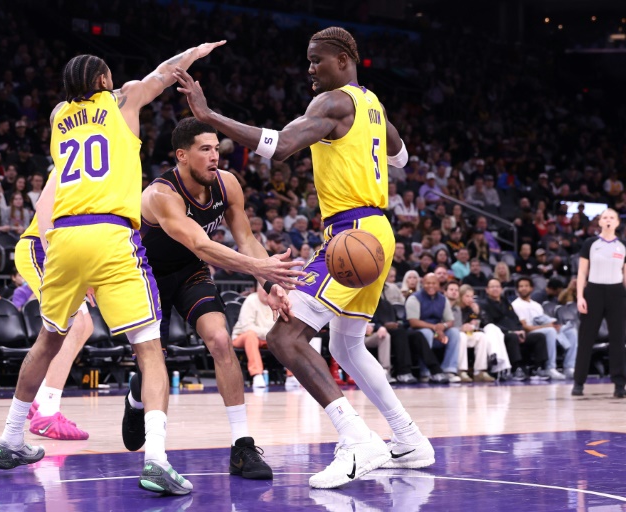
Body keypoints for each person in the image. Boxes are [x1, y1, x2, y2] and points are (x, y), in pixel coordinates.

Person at [174, 27, 435, 489]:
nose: (310, 70)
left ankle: (357, 440)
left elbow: (281, 146)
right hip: (378, 231)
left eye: (317, 61)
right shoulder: (371, 103)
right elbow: (402, 157)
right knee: (345, 345)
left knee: (285, 337)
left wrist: (209, 114)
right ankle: (408, 438)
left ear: (343, 58)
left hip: (351, 233)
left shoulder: (331, 103)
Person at [0, 42, 226, 498]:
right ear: (102, 81)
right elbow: (164, 70)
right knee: (149, 349)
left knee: (47, 341)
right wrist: (197, 51)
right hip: (110, 233)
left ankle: (9, 439)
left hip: (61, 239)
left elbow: (75, 105)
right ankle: (155, 459)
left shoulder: (59, 114)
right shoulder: (124, 101)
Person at [125, 118, 301, 479]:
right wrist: (263, 269)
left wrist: (268, 282)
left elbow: (247, 240)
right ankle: (136, 398)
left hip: (189, 270)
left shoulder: (228, 184)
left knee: (221, 339)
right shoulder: (161, 195)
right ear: (182, 155)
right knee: (153, 360)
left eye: (216, 148)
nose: (214, 156)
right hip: (146, 275)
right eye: (205, 149)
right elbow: (202, 243)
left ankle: (242, 446)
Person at [10, 168, 95, 440]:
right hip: (42, 247)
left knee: (85, 326)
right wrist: (54, 256)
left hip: (67, 253)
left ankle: (40, 399)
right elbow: (44, 206)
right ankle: (48, 411)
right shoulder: (69, 160)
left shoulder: (102, 171)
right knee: (73, 324)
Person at [573, 209, 626, 398]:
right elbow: (581, 273)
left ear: (618, 223)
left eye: (612, 217)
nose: (608, 220)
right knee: (586, 338)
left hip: (617, 293)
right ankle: (578, 382)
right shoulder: (590, 244)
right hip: (594, 291)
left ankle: (620, 384)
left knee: (618, 340)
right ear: (600, 222)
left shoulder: (623, 245)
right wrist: (580, 297)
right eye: (605, 217)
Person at [481, 278, 548, 381]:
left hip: (515, 332)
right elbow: (490, 324)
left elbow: (515, 318)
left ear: (501, 289)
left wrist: (521, 330)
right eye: (492, 287)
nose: (495, 289)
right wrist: (511, 331)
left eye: (497, 286)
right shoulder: (484, 304)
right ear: (487, 290)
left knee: (539, 336)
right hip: (501, 335)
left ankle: (539, 368)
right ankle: (516, 368)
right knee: (512, 337)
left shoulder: (506, 302)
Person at [512, 276, 573, 380]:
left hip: (542, 328)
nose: (524, 288)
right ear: (517, 289)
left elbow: (543, 320)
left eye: (526, 286)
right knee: (550, 331)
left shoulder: (536, 305)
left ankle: (569, 366)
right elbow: (525, 327)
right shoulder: (516, 304)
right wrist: (548, 326)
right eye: (521, 286)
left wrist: (554, 324)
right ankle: (550, 367)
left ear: (531, 288)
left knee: (571, 331)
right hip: (530, 334)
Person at [405, 274, 462, 382]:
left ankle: (449, 370)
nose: (431, 286)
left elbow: (450, 320)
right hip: (416, 333)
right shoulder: (414, 298)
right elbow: (413, 322)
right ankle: (425, 372)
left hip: (437, 332)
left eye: (434, 283)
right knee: (426, 333)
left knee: (454, 332)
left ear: (438, 285)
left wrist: (443, 326)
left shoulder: (442, 299)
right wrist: (434, 327)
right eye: (428, 283)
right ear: (422, 284)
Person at [444, 281, 494, 383]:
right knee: (461, 336)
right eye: (467, 296)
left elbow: (485, 323)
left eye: (472, 296)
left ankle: (480, 371)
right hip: (454, 334)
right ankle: (461, 370)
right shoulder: (454, 307)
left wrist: (478, 313)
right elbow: (451, 325)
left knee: (481, 336)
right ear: (461, 295)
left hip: (467, 334)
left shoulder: (471, 308)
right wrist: (462, 328)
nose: (470, 299)